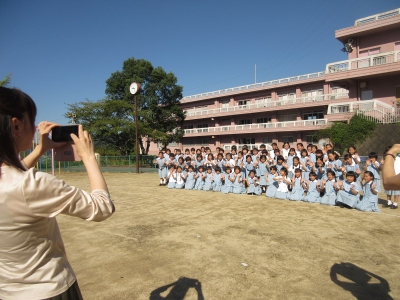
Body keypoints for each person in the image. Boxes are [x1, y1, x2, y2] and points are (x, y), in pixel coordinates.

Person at [0, 87, 115, 299]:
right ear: (16, 125)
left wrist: (41, 149)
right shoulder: (33, 184)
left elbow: (13, 174)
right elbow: (102, 207)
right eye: (31, 121)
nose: (35, 128)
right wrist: (88, 156)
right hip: (50, 288)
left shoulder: (15, 181)